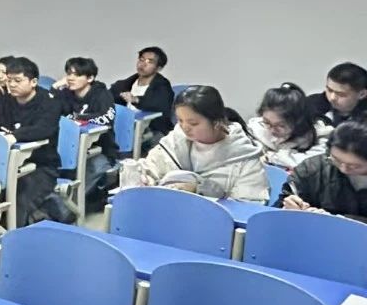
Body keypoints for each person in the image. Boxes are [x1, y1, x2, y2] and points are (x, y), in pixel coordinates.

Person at [0, 57, 69, 237]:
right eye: (9, 81)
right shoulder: (4, 101)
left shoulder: (49, 102)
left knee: (19, 199)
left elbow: (44, 129)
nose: (12, 85)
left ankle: (10, 243)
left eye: (18, 80)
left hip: (40, 167)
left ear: (33, 82)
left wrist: (15, 136)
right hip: (5, 166)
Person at [139, 85, 268, 202]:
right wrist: (144, 178)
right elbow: (150, 168)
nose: (185, 128)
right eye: (180, 120)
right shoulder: (175, 141)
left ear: (216, 122)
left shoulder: (244, 156)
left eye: (193, 123)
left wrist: (200, 190)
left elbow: (250, 204)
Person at [53, 57, 118, 204]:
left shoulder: (102, 94)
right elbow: (48, 111)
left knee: (91, 169)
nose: (70, 78)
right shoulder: (65, 94)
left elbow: (106, 118)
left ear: (90, 78)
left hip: (100, 150)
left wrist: (79, 118)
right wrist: (55, 87)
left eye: (77, 75)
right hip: (68, 150)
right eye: (69, 74)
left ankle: (64, 208)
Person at [281, 120, 367, 221]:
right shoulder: (310, 169)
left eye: (354, 166)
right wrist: (290, 206)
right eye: (337, 160)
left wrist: (337, 219)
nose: (343, 169)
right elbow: (282, 204)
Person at [249, 83, 330, 169]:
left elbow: (312, 163)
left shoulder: (320, 136)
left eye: (280, 126)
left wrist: (272, 157)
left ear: (299, 123)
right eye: (267, 122)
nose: (272, 130)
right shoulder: (255, 130)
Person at [110, 46, 175, 145]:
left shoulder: (163, 86)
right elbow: (109, 96)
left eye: (150, 62)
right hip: (125, 126)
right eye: (141, 59)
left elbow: (160, 104)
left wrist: (136, 100)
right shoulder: (128, 82)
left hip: (152, 130)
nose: (143, 64)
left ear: (159, 68)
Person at [307, 62, 367, 128]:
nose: (332, 98)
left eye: (341, 94)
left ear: (362, 94)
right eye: (329, 90)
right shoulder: (310, 105)